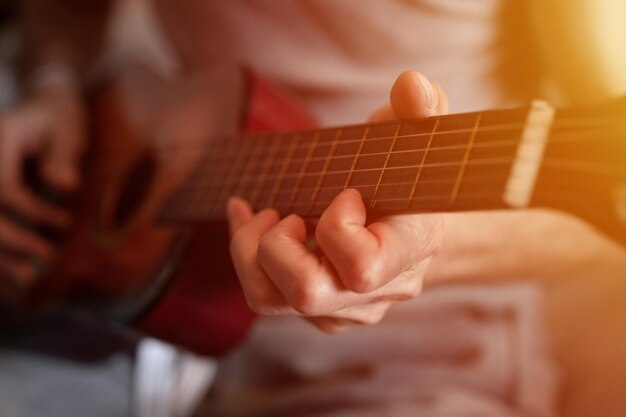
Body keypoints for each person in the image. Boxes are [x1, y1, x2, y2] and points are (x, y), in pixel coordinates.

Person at [1, 0, 626, 416]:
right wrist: (53, 84)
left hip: (408, 348)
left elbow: (592, 234)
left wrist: (426, 248)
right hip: (119, 185)